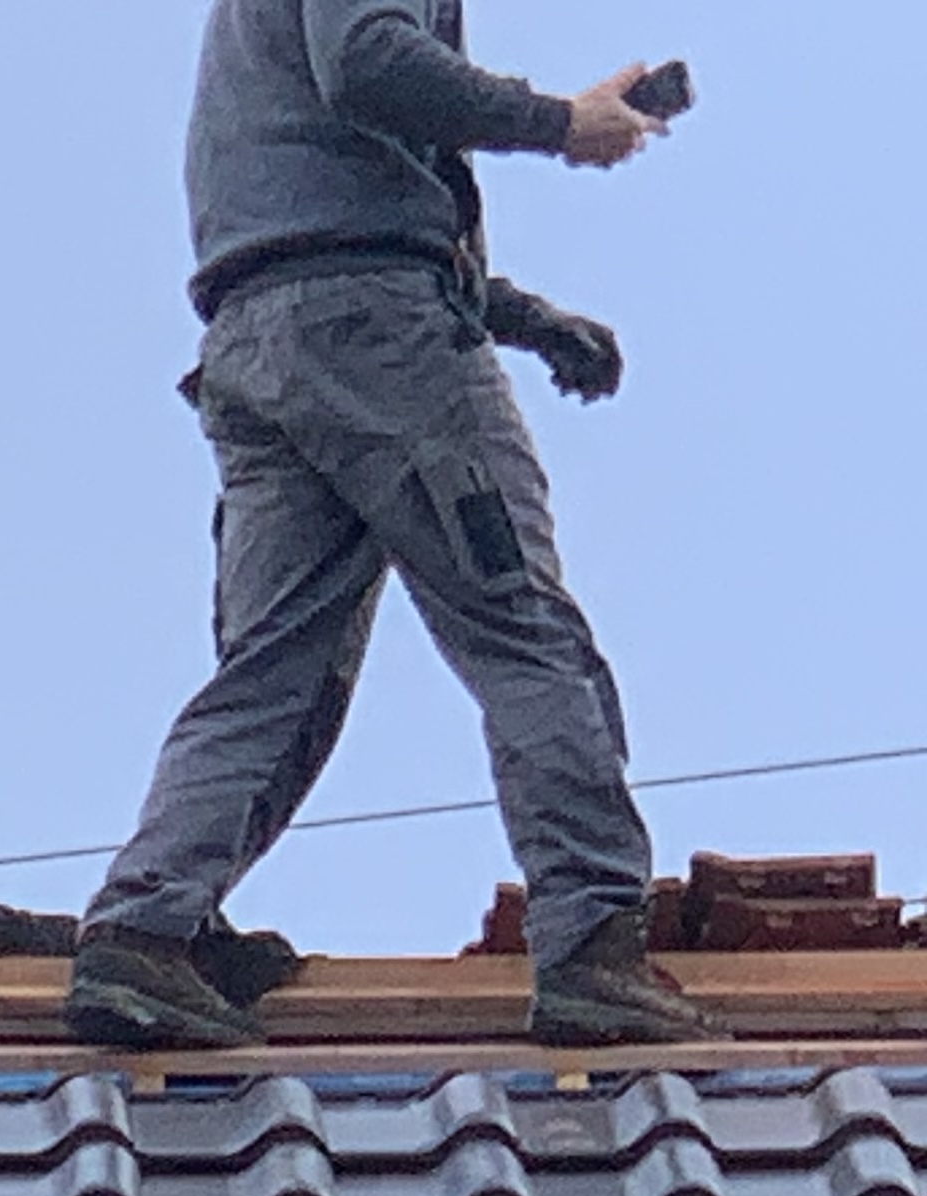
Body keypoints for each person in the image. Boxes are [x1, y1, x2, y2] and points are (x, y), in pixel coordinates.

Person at [63, 3, 714, 1053]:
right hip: (379, 338)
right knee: (524, 629)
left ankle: (145, 933)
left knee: (276, 671)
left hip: (263, 345)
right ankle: (594, 946)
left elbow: (332, 194)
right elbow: (368, 65)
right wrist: (562, 123)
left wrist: (527, 318)